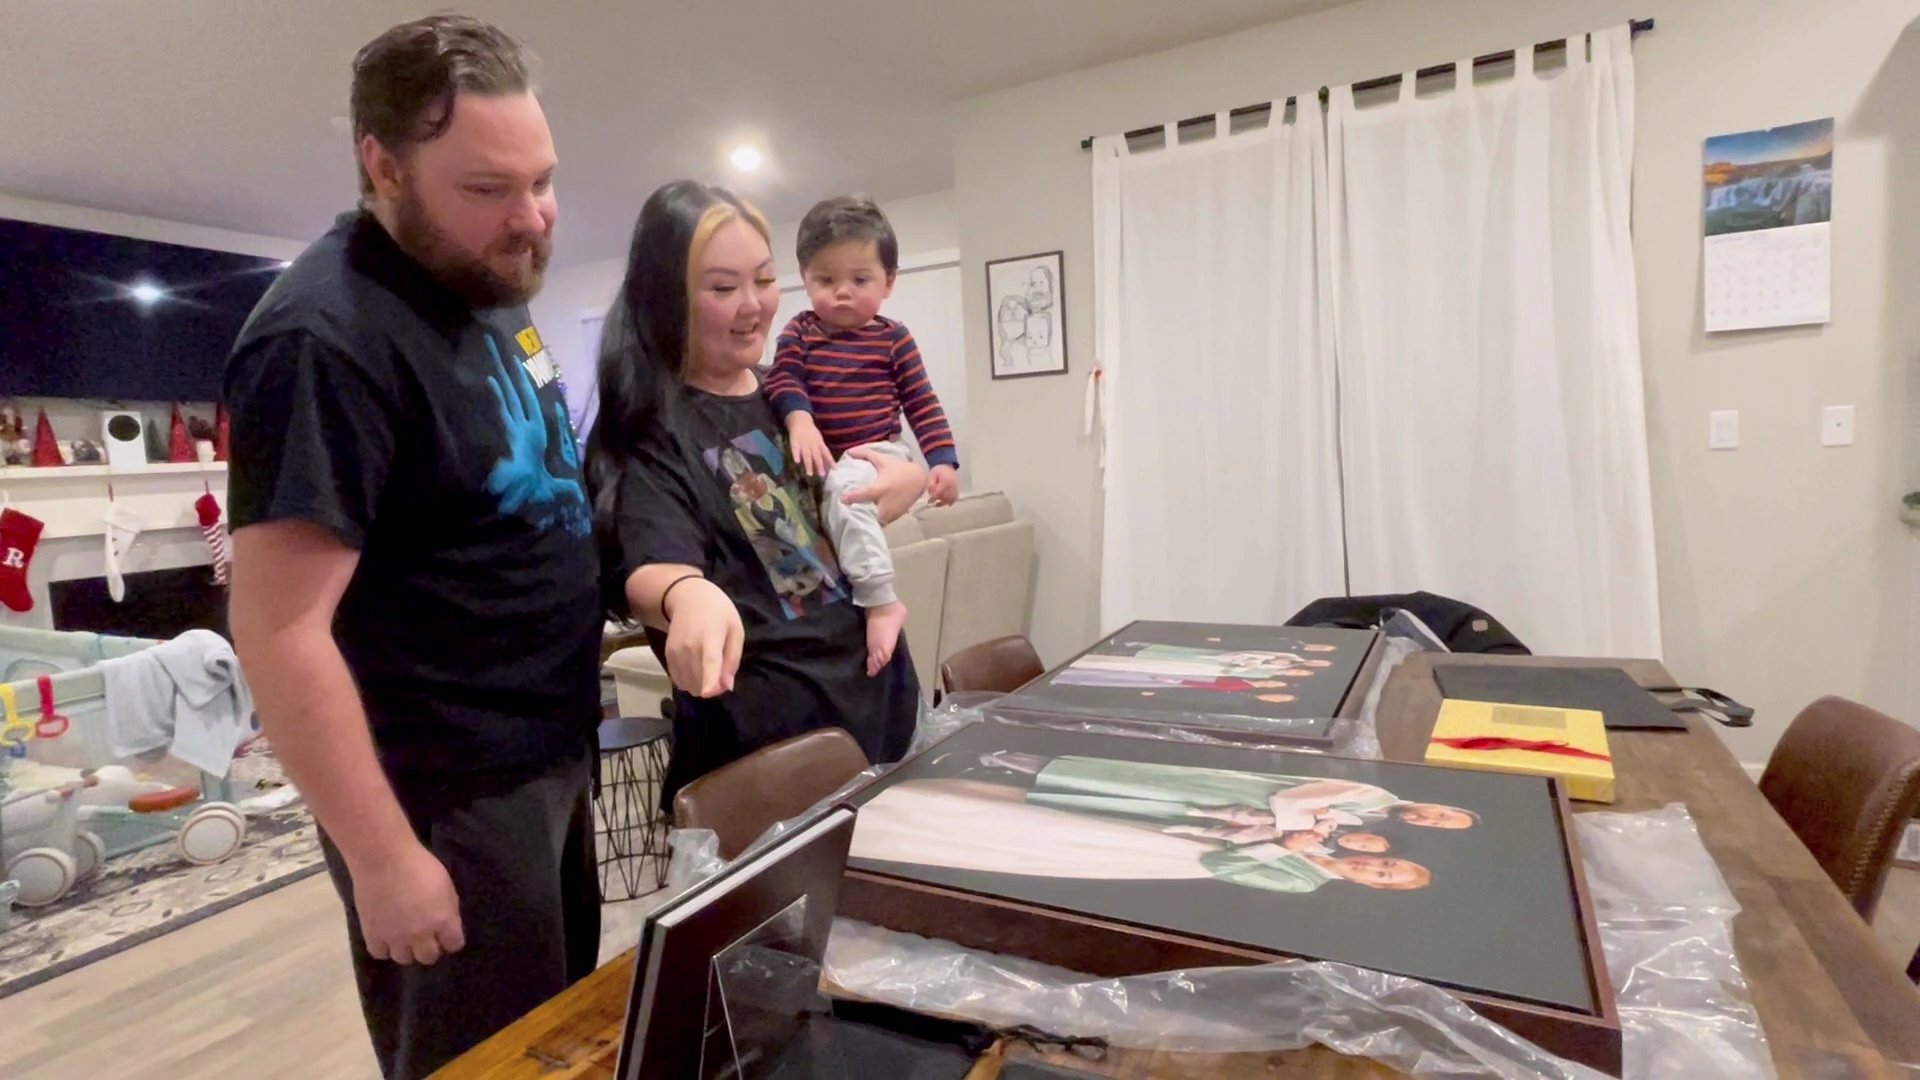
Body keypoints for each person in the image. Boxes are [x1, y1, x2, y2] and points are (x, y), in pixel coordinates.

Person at [224, 17, 599, 1078]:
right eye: (488, 189)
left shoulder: (490, 291)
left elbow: (534, 503)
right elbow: (278, 630)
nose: (531, 219)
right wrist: (382, 856)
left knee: (559, 1050)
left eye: (544, 180)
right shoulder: (321, 340)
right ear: (380, 165)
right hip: (444, 798)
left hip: (545, 757)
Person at [584, 181, 927, 806]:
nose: (754, 306)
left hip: (886, 715)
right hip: (774, 769)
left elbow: (831, 518)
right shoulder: (652, 426)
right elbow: (651, 567)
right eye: (722, 288)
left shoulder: (790, 393)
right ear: (665, 299)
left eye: (765, 280)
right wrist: (686, 597)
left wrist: (905, 480)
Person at [763, 195, 961, 675]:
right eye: (825, 280)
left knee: (847, 497)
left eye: (859, 280)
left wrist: (942, 462)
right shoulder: (799, 332)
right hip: (820, 453)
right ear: (804, 277)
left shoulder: (894, 338)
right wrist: (800, 419)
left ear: (888, 282)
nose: (842, 293)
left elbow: (921, 402)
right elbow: (784, 379)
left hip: (875, 453)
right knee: (828, 498)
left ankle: (880, 600)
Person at [851, 777, 1433, 894]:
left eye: (1383, 875)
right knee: (1041, 816)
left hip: (1161, 854)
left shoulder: (1303, 879)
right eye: (1384, 861)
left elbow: (1226, 870)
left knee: (1034, 841)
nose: (1370, 866)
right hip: (1176, 830)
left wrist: (1282, 848)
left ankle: (896, 837)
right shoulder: (1324, 842)